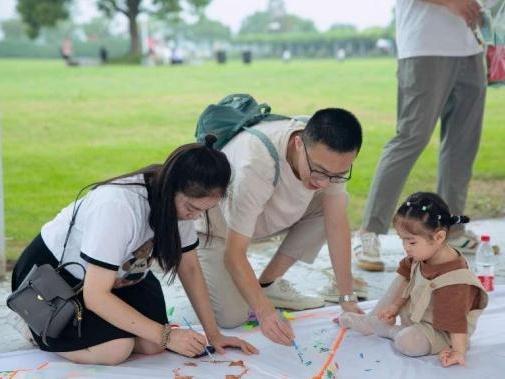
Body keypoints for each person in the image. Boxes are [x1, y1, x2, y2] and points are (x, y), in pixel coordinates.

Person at [11, 136, 257, 365]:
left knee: (153, 345)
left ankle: (108, 331)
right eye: (191, 208)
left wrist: (214, 334)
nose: (194, 217)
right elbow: (95, 296)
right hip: (55, 279)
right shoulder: (118, 206)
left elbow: (190, 269)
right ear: (171, 187)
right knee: (117, 349)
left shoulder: (179, 204)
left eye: (203, 210)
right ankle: (36, 327)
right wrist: (167, 336)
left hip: (120, 275)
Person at [196, 108, 365, 346]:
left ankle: (267, 283)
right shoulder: (256, 164)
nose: (324, 181)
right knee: (233, 317)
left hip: (261, 218)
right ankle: (219, 271)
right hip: (216, 230)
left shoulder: (324, 157)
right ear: (298, 143)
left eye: (337, 175)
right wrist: (265, 313)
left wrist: (347, 298)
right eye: (318, 171)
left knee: (336, 203)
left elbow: (337, 223)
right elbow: (234, 255)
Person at [355, 0, 487, 271]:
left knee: (463, 145)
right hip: (424, 46)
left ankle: (453, 231)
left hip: (471, 46)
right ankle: (370, 231)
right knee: (411, 138)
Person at [339, 192, 488, 367]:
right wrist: (394, 307)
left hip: (443, 332)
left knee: (407, 342)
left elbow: (456, 323)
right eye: (403, 241)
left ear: (439, 237)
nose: (405, 248)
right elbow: (406, 284)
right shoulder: (421, 256)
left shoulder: (454, 282)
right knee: (404, 276)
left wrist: (458, 351)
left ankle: (389, 330)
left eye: (411, 242)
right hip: (419, 317)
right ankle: (372, 320)